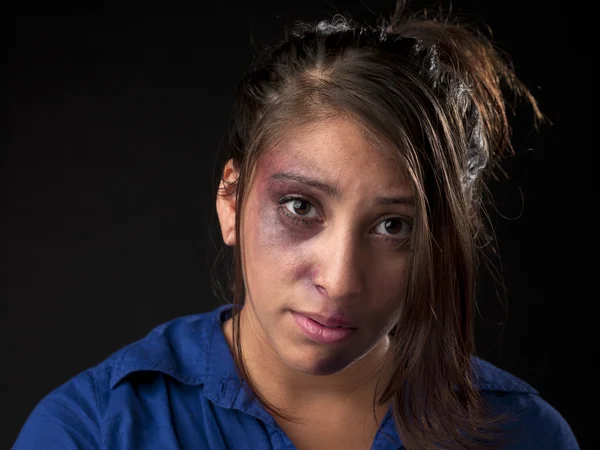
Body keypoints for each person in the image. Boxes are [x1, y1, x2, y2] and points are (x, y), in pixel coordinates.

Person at [12, 1, 579, 449]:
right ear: (231, 199)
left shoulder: (523, 435)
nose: (340, 280)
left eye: (393, 226)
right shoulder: (91, 433)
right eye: (300, 208)